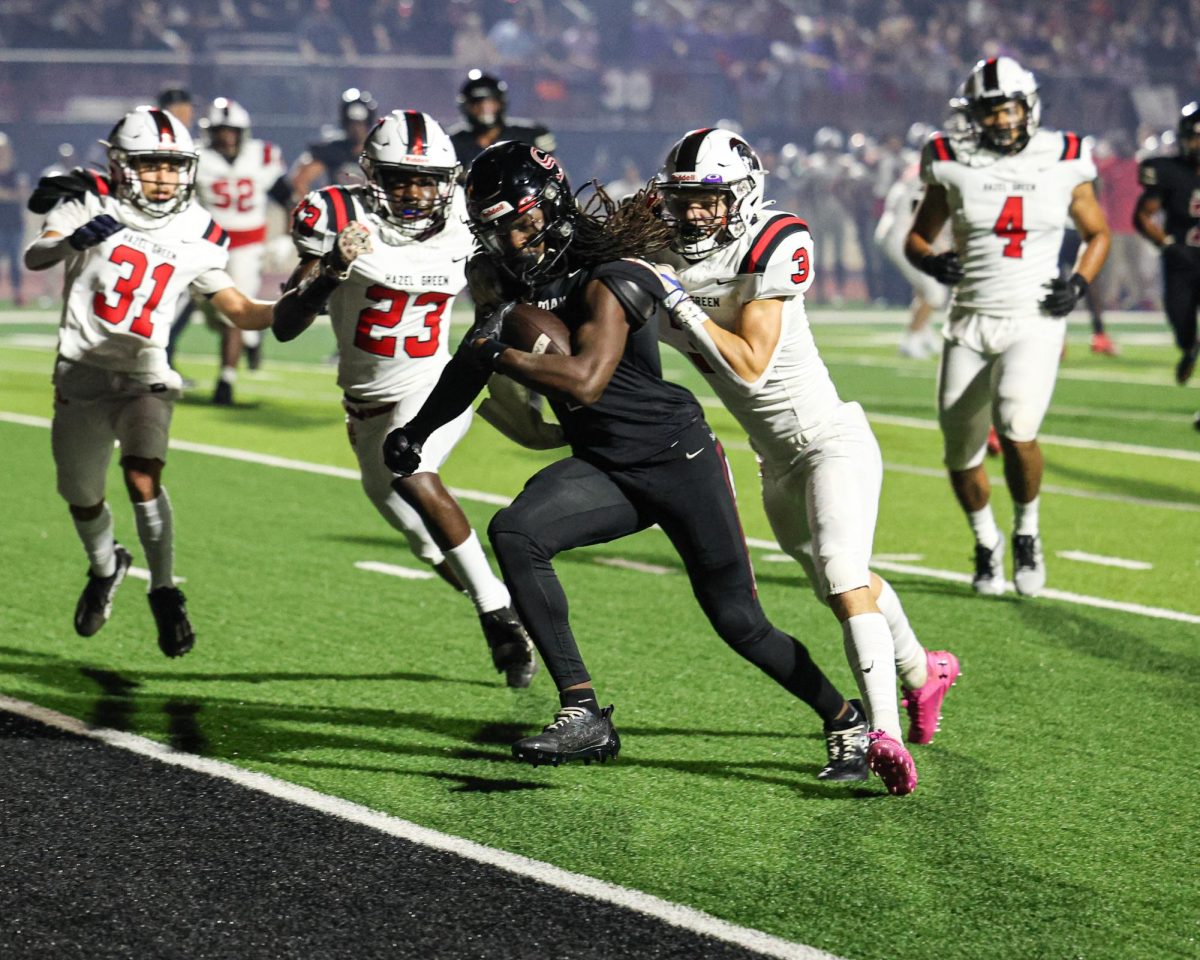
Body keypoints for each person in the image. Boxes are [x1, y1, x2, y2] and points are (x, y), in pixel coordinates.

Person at [382, 141, 874, 787]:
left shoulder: (613, 270)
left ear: (552, 207)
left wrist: (500, 355)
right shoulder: (500, 279)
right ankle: (583, 711)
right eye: (497, 228)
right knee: (516, 532)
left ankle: (844, 718)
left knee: (739, 622)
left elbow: (584, 380)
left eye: (522, 221)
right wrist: (416, 432)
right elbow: (473, 358)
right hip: (606, 465)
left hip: (678, 459)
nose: (512, 239)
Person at [651, 127, 962, 796]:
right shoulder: (657, 245)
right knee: (839, 586)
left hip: (830, 441)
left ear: (743, 194)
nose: (694, 215)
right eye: (683, 201)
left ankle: (884, 733)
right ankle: (923, 669)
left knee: (844, 577)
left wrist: (674, 299)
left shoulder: (775, 238)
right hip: (774, 462)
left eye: (708, 200)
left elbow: (753, 367)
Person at [271, 110, 537, 688]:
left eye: (426, 180)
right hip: (364, 402)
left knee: (412, 466)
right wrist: (332, 269)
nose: (415, 193)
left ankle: (500, 615)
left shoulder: (466, 227)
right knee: (418, 536)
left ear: (447, 180)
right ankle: (498, 608)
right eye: (399, 179)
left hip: (433, 385)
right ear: (374, 178)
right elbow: (286, 324)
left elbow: (517, 285)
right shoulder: (338, 219)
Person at [23, 106, 276, 656]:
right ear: (121, 165)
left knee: (142, 476)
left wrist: (313, 298)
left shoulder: (199, 229)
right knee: (81, 497)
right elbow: (36, 254)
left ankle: (164, 591)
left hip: (147, 375)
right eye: (150, 165)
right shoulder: (90, 198)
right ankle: (105, 564)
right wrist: (72, 240)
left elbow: (240, 309)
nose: (163, 177)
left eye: (171, 166)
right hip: (82, 373)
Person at [905, 57, 1110, 598]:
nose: (1000, 120)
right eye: (990, 111)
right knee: (960, 452)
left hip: (1033, 320)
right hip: (968, 320)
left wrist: (1080, 284)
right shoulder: (949, 159)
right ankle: (985, 541)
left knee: (1017, 428)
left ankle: (1026, 532)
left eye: (1009, 108)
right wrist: (932, 262)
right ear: (974, 115)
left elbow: (1098, 234)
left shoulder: (1065, 155)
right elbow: (917, 238)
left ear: (1028, 107)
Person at [194, 97, 287, 404]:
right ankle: (251, 337)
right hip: (208, 247)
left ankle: (226, 380)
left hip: (247, 248)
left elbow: (286, 194)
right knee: (212, 315)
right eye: (220, 131)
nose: (226, 137)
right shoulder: (198, 157)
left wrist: (289, 232)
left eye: (231, 131)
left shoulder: (261, 156)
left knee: (232, 313)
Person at [1133, 101, 1200, 386]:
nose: (1196, 144)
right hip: (1181, 258)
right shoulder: (1169, 171)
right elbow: (1143, 216)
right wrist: (1168, 245)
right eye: (1193, 137)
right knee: (1180, 319)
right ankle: (1189, 348)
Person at [447, 70, 555, 172]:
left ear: (501, 103)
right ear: (466, 107)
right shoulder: (451, 143)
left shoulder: (530, 136)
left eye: (490, 103)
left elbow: (554, 174)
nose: (484, 109)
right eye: (476, 104)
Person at [285, 88, 378, 203]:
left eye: (360, 124)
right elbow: (300, 180)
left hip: (369, 215)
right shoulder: (333, 150)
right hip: (340, 213)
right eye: (352, 123)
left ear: (368, 123)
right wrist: (313, 208)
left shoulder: (378, 153)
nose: (356, 129)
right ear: (345, 123)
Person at [0, 132, 28, 305]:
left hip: (14, 224)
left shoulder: (17, 172)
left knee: (14, 262)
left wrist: (5, 195)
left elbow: (23, 194)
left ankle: (17, 293)